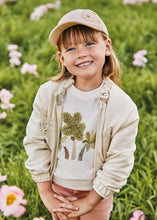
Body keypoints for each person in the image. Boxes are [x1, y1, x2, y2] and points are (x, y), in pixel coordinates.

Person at [23, 9, 139, 220]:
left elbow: (119, 160)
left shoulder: (123, 107)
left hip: (97, 192)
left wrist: (91, 200)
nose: (81, 53)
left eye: (89, 44)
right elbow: (35, 141)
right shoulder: (49, 95)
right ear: (62, 58)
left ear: (107, 47)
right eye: (71, 48)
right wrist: (46, 191)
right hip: (58, 188)